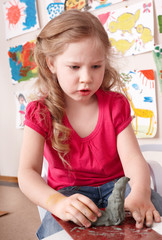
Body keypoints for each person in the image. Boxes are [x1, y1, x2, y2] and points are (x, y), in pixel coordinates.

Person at [18, 9, 162, 239]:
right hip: (68, 196)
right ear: (51, 64)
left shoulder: (115, 104)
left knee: (152, 220)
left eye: (96, 66)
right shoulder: (40, 111)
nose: (86, 77)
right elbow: (27, 173)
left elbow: (133, 159)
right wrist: (56, 203)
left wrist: (141, 192)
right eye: (74, 67)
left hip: (118, 186)